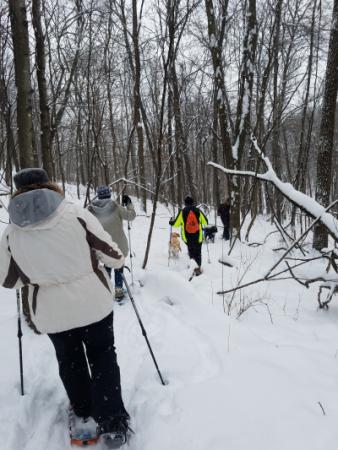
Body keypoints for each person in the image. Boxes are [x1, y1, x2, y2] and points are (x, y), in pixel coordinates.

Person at [0, 168, 130, 446]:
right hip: (94, 305)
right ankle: (113, 418)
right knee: (103, 355)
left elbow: (7, 279)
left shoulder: (12, 233)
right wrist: (110, 263)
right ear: (49, 184)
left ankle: (84, 410)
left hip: (52, 313)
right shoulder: (76, 214)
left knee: (69, 360)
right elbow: (113, 255)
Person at [87, 186, 136, 300]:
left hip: (102, 246)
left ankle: (106, 289)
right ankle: (118, 290)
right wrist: (129, 204)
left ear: (99, 196)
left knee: (107, 265)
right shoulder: (116, 207)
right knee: (118, 266)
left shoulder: (91, 210)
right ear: (109, 195)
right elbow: (131, 216)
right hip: (118, 244)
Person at [169, 196, 208, 275]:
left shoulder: (182, 212)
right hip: (198, 236)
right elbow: (205, 222)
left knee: (191, 252)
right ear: (193, 202)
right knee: (198, 252)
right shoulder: (198, 211)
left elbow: (176, 224)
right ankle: (198, 268)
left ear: (185, 203)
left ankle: (193, 268)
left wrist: (171, 221)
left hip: (187, 236)